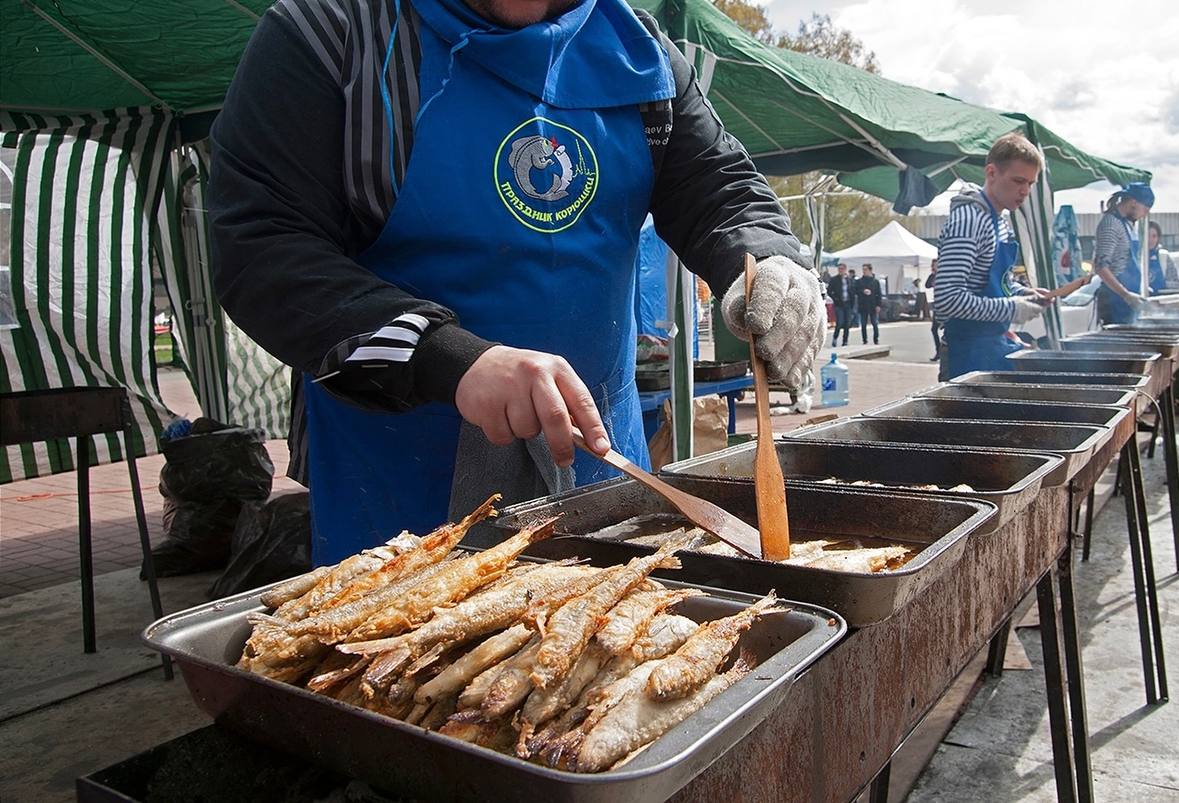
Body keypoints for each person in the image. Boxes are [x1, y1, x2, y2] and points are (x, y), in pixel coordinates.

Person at [208, 0, 826, 564]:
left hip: (600, 473)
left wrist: (766, 258)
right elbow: (259, 245)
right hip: (399, 501)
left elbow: (719, 190)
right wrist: (449, 358)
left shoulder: (641, 55)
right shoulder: (332, 37)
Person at [934, 133, 1049, 380]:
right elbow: (947, 299)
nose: (1025, 191)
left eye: (1030, 183)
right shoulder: (969, 222)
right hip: (965, 353)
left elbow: (996, 284)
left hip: (991, 347)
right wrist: (1011, 308)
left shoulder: (1001, 222)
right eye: (1018, 180)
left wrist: (1022, 294)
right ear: (991, 172)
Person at [1092, 182, 1155, 324]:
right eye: (1145, 209)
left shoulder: (1127, 225)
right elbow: (1101, 266)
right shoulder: (1111, 223)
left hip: (1127, 302)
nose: (1145, 214)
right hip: (1113, 302)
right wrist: (1125, 295)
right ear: (1133, 202)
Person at [826, 263, 857, 347]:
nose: (841, 270)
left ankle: (845, 341)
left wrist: (852, 303)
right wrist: (835, 298)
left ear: (845, 269)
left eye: (842, 269)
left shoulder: (849, 280)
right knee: (839, 322)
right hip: (839, 304)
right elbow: (829, 290)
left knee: (847, 323)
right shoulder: (834, 279)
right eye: (839, 268)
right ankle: (835, 338)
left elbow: (853, 291)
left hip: (848, 303)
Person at [1147, 221, 1179, 293]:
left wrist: (1162, 284)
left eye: (1154, 236)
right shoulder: (1137, 256)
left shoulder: (1164, 256)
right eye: (1147, 236)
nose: (1150, 240)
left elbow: (1177, 282)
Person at [854, 264, 883, 344]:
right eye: (863, 270)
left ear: (870, 270)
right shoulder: (859, 281)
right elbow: (856, 290)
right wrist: (863, 291)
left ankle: (876, 339)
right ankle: (864, 340)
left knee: (874, 323)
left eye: (866, 269)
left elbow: (879, 294)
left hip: (873, 305)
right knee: (863, 324)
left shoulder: (875, 281)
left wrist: (878, 305)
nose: (864, 271)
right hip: (863, 305)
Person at [925, 258, 942, 360]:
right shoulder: (933, 276)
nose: (934, 267)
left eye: (936, 265)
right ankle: (938, 351)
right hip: (937, 305)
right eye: (933, 265)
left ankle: (944, 351)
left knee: (946, 330)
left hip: (944, 304)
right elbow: (927, 285)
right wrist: (932, 275)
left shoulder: (944, 275)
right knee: (934, 329)